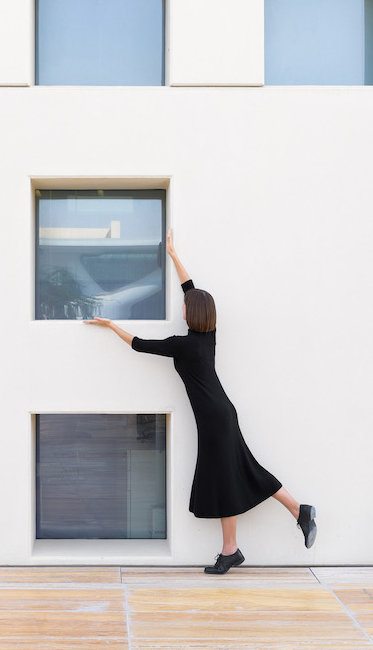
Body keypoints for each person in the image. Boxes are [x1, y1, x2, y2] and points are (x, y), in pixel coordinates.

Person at [85, 230, 315, 573]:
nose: (182, 305)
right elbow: (190, 289)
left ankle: (245, 541)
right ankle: (286, 518)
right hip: (220, 415)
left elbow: (139, 344)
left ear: (190, 313)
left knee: (231, 477)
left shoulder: (183, 345)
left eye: (184, 306)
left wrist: (110, 325)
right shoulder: (207, 336)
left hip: (214, 421)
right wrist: (173, 255)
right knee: (239, 473)